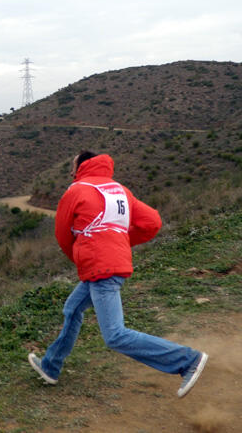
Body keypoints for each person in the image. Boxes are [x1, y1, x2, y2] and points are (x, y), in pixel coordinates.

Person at [28, 151, 208, 398]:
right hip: (107, 264)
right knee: (73, 308)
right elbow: (153, 222)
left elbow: (62, 235)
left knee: (114, 335)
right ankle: (51, 366)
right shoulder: (120, 190)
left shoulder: (76, 190)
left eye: (72, 166)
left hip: (100, 268)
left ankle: (187, 360)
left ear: (81, 167)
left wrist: (84, 256)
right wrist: (117, 243)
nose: (70, 171)